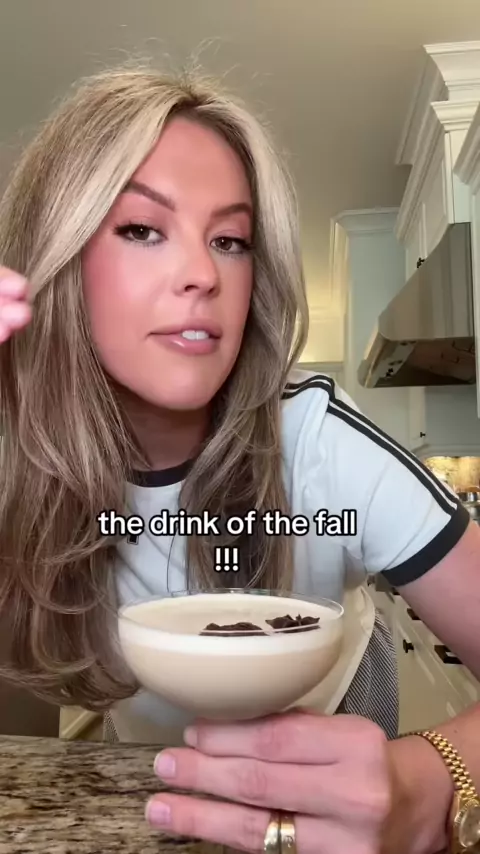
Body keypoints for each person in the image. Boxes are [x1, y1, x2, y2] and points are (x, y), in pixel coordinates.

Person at [0, 63, 479, 854]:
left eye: (230, 241)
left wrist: (432, 782)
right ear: (59, 258)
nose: (203, 275)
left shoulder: (319, 442)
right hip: (155, 783)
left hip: (341, 743)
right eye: (142, 229)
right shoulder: (21, 448)